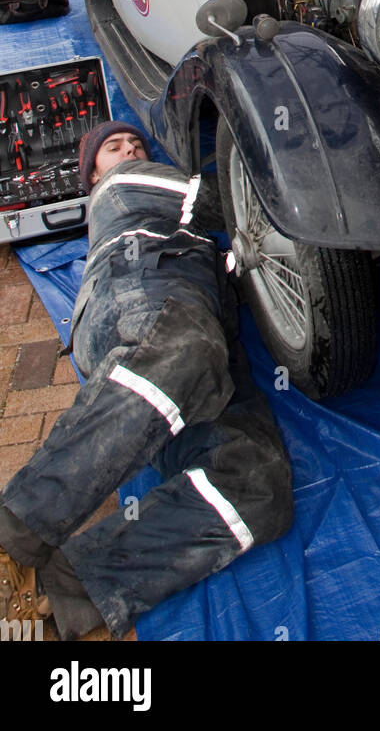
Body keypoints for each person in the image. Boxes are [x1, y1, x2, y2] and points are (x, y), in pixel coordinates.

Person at [0, 122, 293, 639]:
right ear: (93, 175)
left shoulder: (177, 228)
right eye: (114, 148)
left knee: (256, 488)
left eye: (136, 145)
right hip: (140, 304)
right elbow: (224, 200)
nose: (131, 150)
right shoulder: (123, 186)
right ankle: (14, 532)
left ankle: (66, 590)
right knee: (185, 355)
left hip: (196, 350)